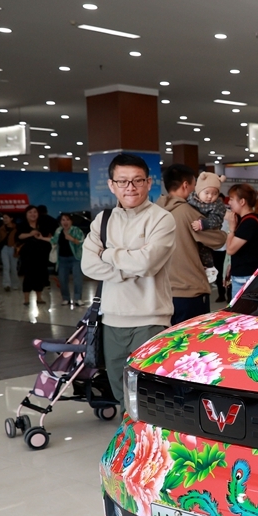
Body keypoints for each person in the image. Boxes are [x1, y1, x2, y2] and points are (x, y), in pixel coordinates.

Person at [81, 153, 176, 409]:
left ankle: (145, 437)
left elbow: (147, 263)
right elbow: (88, 265)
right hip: (111, 320)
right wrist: (131, 265)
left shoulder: (162, 219)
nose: (130, 187)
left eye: (137, 180)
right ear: (112, 185)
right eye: (122, 181)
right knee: (121, 393)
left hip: (150, 319)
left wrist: (108, 254)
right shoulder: (103, 221)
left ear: (148, 183)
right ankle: (127, 436)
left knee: (148, 395)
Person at [156, 164, 228, 325]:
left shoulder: (156, 210)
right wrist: (226, 232)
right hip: (189, 289)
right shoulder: (188, 212)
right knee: (190, 338)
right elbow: (217, 240)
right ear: (185, 185)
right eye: (194, 185)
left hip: (161, 290)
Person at [224, 183, 258, 299]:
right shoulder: (249, 219)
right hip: (244, 276)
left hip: (244, 278)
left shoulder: (249, 222)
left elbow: (230, 249)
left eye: (232, 199)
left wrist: (231, 229)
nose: (229, 203)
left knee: (241, 310)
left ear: (242, 202)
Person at [16, 204, 53, 305]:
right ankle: (26, 299)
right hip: (27, 255)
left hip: (41, 254)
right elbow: (19, 236)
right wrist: (30, 234)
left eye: (35, 212)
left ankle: (39, 297)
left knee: (40, 275)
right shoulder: (22, 225)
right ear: (26, 214)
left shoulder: (43, 225)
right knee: (28, 276)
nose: (33, 214)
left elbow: (49, 236)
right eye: (30, 212)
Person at [52, 213, 85, 306]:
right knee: (62, 279)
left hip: (75, 258)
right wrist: (42, 238)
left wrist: (72, 239)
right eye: (63, 220)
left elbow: (82, 242)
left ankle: (78, 298)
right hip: (62, 259)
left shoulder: (76, 230)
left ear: (71, 221)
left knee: (77, 279)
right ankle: (65, 298)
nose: (65, 222)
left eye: (67, 220)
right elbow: (53, 241)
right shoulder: (58, 231)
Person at [0, 212, 19, 291]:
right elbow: (1, 239)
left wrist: (16, 245)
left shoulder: (16, 228)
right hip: (5, 248)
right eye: (3, 218)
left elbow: (19, 238)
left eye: (6, 218)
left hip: (13, 248)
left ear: (11, 219)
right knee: (6, 267)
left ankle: (15, 284)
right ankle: (6, 284)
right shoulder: (1, 228)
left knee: (13, 267)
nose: (4, 219)